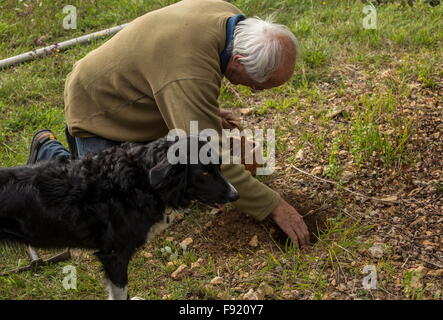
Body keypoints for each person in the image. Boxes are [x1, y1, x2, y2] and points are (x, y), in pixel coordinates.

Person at [29, 0, 310, 247]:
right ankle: (49, 152)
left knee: (169, 184)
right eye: (258, 86)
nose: (254, 91)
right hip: (100, 110)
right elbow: (208, 154)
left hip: (143, 97)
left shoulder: (230, 20)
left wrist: (202, 109)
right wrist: (274, 206)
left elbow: (177, 80)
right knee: (105, 213)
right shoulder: (188, 72)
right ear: (237, 61)